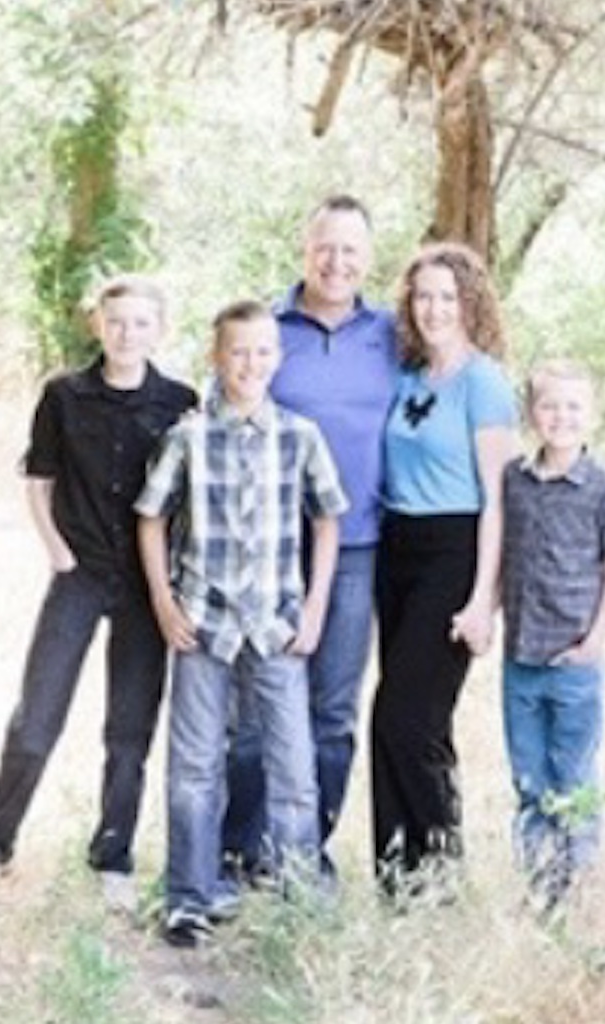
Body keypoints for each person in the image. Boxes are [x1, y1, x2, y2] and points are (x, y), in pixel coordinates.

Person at [0, 275, 197, 913]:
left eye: (141, 323)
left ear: (159, 329)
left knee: (130, 726)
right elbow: (39, 477)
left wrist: (175, 579)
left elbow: (189, 494)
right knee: (38, 712)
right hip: (79, 571)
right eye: (116, 322)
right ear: (97, 325)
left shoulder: (180, 402)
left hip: (144, 584)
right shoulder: (63, 395)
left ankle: (112, 856)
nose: (127, 334)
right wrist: (56, 550)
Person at [136, 300, 348, 948]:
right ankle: (190, 899)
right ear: (216, 357)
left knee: (293, 768)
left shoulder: (301, 436)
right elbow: (151, 517)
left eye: (262, 352)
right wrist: (164, 603)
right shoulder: (189, 437)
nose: (250, 363)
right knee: (195, 765)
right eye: (237, 352)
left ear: (277, 359)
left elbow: (327, 519)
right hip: (201, 623)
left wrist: (313, 608)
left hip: (278, 625)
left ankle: (295, 898)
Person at [222, 195, 399, 878]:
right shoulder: (267, 327)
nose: (337, 262)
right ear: (305, 249)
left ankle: (302, 852)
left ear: (368, 258)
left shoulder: (391, 336)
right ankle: (237, 849)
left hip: (355, 548)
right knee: (255, 711)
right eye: (326, 247)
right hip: (265, 548)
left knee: (332, 710)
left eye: (351, 250)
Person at [371, 242, 518, 890]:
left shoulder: (483, 382)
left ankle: (441, 874)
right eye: (423, 296)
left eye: (447, 298)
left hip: (454, 552)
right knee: (389, 720)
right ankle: (396, 881)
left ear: (470, 304)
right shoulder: (407, 375)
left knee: (412, 717)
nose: (433, 309)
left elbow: (499, 501)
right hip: (395, 549)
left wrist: (485, 597)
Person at [500, 358, 605, 912]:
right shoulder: (514, 480)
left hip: (574, 659)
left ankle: (577, 881)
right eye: (549, 405)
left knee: (573, 776)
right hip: (520, 659)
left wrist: (594, 642)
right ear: (531, 414)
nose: (561, 416)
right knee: (530, 778)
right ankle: (539, 886)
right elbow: (499, 556)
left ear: (593, 415)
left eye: (573, 406)